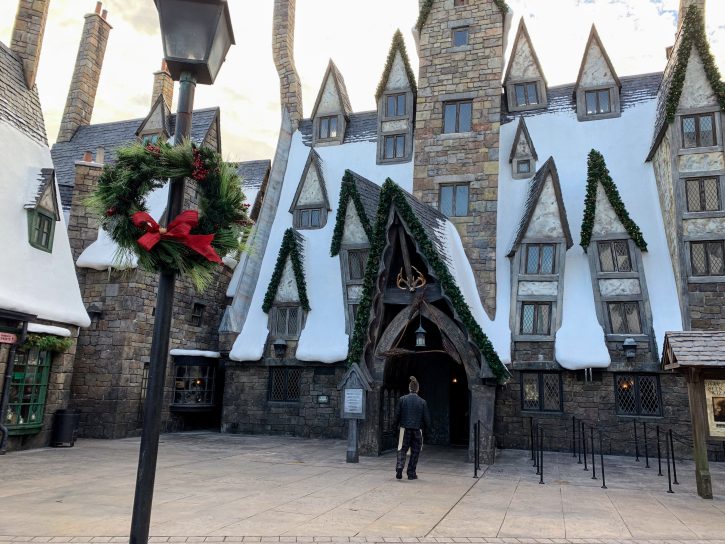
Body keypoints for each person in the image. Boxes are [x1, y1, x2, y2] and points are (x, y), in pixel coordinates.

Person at [394, 376, 431, 480]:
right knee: (415, 451)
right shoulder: (422, 402)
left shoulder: (402, 399)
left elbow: (396, 415)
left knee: (402, 449)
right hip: (417, 430)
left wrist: (394, 428)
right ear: (417, 389)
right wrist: (428, 431)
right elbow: (427, 419)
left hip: (404, 429)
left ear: (409, 388)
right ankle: (411, 473)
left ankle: (400, 467)